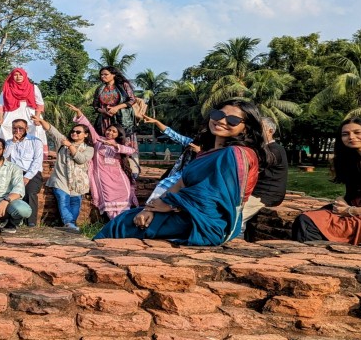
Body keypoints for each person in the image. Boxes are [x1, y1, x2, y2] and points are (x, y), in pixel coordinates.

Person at [94, 99, 271, 246]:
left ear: (246, 128)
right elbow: (181, 183)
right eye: (218, 115)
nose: (222, 121)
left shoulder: (235, 153)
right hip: (187, 211)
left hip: (204, 221)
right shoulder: (209, 152)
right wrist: (151, 208)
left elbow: (212, 196)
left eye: (232, 120)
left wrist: (171, 206)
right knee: (127, 218)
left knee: (122, 225)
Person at [67, 103, 137, 220]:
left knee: (125, 205)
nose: (110, 133)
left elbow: (131, 151)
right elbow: (88, 126)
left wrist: (114, 146)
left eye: (114, 132)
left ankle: (125, 226)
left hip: (119, 179)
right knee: (109, 205)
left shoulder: (120, 145)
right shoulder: (98, 140)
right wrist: (79, 113)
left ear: (118, 134)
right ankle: (114, 225)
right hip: (103, 178)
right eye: (109, 130)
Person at [35, 115, 93, 232]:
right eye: (73, 131)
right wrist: (41, 120)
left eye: (78, 132)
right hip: (60, 178)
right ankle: (69, 223)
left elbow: (81, 159)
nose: (74, 133)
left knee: (75, 202)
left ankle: (71, 225)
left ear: (86, 135)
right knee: (63, 199)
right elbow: (52, 130)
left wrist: (70, 146)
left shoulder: (89, 149)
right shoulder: (63, 142)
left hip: (78, 181)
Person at [142, 114, 201, 203]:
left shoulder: (213, 153)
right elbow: (172, 134)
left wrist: (200, 152)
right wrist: (156, 122)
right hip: (175, 179)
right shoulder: (190, 143)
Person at [242, 117, 288, 226]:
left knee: (232, 216)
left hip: (265, 195)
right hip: (255, 193)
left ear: (270, 131)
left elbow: (250, 170)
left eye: (259, 128)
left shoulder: (275, 150)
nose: (254, 131)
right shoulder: (262, 149)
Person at [4, 118, 45, 227]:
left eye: (20, 128)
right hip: (14, 173)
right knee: (9, 194)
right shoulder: (8, 142)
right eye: (15, 128)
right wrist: (13, 143)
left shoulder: (35, 141)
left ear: (26, 128)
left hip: (32, 173)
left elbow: (37, 161)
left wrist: (27, 177)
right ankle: (12, 220)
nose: (17, 131)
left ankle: (31, 222)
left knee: (30, 193)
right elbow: (3, 157)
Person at [0, 68, 47, 149]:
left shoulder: (33, 87)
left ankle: (35, 150)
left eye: (20, 75)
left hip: (30, 113)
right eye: (15, 75)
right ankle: (8, 151)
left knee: (36, 129)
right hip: (11, 113)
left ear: (24, 76)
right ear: (12, 76)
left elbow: (40, 103)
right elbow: (0, 104)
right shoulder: (7, 88)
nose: (18, 77)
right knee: (6, 128)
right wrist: (0, 118)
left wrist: (37, 118)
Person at [92, 66, 141, 137]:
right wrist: (103, 111)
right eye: (101, 75)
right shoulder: (100, 88)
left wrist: (116, 108)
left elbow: (132, 100)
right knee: (106, 139)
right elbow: (95, 105)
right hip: (105, 120)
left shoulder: (123, 85)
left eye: (106, 74)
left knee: (123, 138)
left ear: (113, 75)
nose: (102, 76)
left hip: (123, 118)